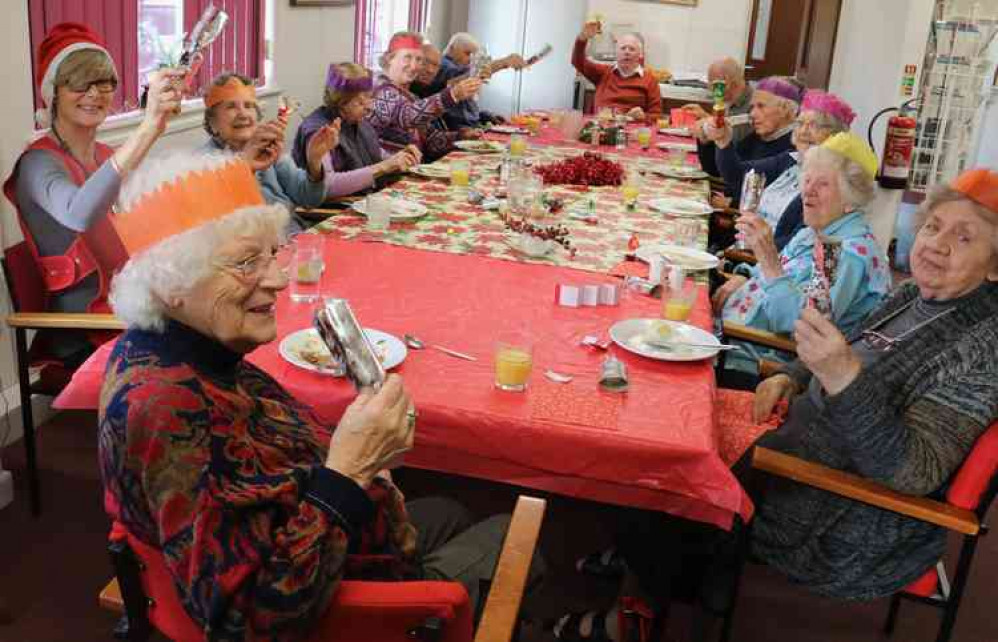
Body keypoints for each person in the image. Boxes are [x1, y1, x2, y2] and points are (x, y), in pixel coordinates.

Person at [99, 151, 543, 640]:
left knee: (452, 511)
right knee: (515, 535)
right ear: (171, 285)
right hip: (337, 608)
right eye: (247, 262)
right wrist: (350, 471)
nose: (279, 279)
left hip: (319, 535)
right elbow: (245, 620)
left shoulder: (181, 350)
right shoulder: (165, 404)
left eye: (272, 254)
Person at [556, 168, 998, 641]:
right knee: (647, 410)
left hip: (835, 509)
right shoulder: (914, 293)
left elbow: (913, 472)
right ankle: (649, 559)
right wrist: (790, 377)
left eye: (964, 237)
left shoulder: (981, 350)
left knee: (657, 457)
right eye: (933, 226)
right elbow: (847, 345)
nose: (938, 243)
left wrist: (842, 378)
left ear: (994, 266)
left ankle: (649, 599)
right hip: (795, 436)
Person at [4, 22, 181, 319]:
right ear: (54, 93)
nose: (94, 93)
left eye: (103, 82)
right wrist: (149, 128)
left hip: (131, 305)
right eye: (79, 83)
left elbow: (144, 218)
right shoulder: (36, 163)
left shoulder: (105, 154)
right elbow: (79, 213)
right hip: (88, 327)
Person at [711, 132, 892, 381]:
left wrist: (769, 261)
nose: (808, 191)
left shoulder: (844, 254)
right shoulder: (815, 231)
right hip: (731, 331)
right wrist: (744, 276)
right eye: (807, 180)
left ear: (852, 200)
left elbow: (802, 326)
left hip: (752, 359)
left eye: (824, 184)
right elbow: (780, 271)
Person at [708, 90, 857, 251]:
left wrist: (753, 250)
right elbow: (737, 175)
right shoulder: (790, 160)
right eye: (800, 124)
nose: (804, 131)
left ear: (836, 136)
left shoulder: (828, 185)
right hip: (745, 251)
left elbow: (802, 245)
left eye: (815, 125)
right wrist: (723, 141)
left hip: (764, 261)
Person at [202, 73, 337, 234]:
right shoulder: (202, 164)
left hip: (293, 239)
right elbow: (220, 225)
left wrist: (314, 161)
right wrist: (246, 164)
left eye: (248, 106)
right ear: (212, 123)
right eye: (231, 107)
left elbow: (309, 199)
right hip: (250, 252)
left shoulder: (268, 148)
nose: (243, 114)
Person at [292, 63, 422, 199]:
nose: (370, 108)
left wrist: (400, 157)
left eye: (370, 98)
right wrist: (384, 167)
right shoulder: (318, 131)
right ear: (341, 103)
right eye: (360, 102)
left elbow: (378, 155)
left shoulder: (357, 122)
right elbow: (328, 186)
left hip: (365, 200)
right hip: (336, 211)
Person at [367, 31, 483, 162]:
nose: (414, 66)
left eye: (418, 60)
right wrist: (452, 95)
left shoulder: (410, 95)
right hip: (386, 176)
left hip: (409, 171)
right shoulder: (380, 88)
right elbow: (407, 116)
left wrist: (460, 137)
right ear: (390, 58)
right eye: (407, 58)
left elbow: (431, 140)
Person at [424, 33, 526, 130]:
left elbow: (463, 107)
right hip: (458, 131)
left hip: (473, 127)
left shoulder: (461, 69)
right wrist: (501, 63)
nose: (470, 60)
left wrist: (483, 116)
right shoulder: (444, 64)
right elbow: (454, 81)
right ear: (452, 48)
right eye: (467, 53)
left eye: (473, 55)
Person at [572, 21, 662, 123]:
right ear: (616, 53)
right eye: (623, 48)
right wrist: (582, 38)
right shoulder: (603, 73)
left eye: (632, 49)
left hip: (631, 129)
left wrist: (643, 117)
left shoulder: (650, 80)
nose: (626, 52)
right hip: (602, 125)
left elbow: (656, 116)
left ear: (640, 55)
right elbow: (577, 62)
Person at [684, 57, 753, 178]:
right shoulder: (729, 99)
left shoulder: (753, 104)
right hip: (716, 168)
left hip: (734, 176)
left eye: (711, 83)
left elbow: (730, 138)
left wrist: (706, 126)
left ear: (725, 82)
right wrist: (707, 119)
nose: (710, 89)